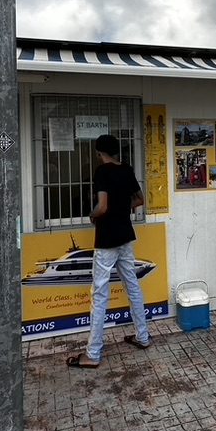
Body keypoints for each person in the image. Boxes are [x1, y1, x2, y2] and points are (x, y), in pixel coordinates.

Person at [67, 133, 151, 368]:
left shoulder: (102, 172)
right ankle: (143, 336)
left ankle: (93, 353)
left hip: (106, 240)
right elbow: (139, 200)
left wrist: (93, 215)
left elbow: (102, 206)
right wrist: (122, 208)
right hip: (125, 235)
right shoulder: (127, 169)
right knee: (132, 285)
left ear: (99, 152)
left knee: (100, 293)